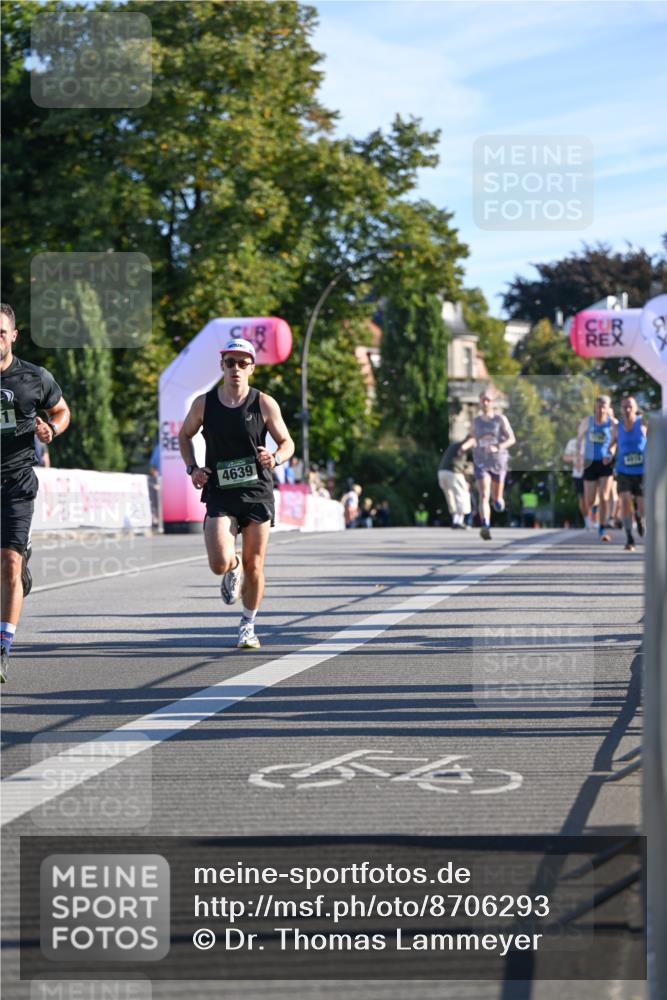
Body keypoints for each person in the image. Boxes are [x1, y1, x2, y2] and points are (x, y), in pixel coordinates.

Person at [178, 337, 294, 649]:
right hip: (221, 492)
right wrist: (193, 468)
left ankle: (248, 625)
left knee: (256, 565)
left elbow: (287, 443)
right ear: (222, 366)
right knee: (218, 562)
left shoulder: (264, 403)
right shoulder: (205, 403)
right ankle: (233, 565)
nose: (236, 369)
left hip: (257, 492)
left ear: (252, 368)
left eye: (243, 363)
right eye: (230, 362)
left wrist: (276, 458)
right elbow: (184, 436)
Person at [1, 303, 70, 682]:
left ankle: (2, 647)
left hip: (16, 482)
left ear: (13, 335)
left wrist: (52, 430)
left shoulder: (34, 377)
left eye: (0, 332)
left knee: (9, 563)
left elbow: (62, 410)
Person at [459, 389, 516, 540]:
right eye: (483, 399)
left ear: (492, 402)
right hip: (481, 460)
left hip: (498, 461)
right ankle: (485, 525)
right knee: (483, 494)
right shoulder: (475, 421)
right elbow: (472, 438)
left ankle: (498, 501)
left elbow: (512, 439)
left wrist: (498, 447)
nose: (485, 402)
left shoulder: (500, 419)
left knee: (496, 499)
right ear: (479, 401)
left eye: (488, 400)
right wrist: (464, 447)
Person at [576, 394, 617, 543]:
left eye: (603, 406)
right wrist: (578, 458)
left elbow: (616, 442)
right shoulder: (588, 422)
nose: (600, 409)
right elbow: (579, 440)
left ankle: (602, 528)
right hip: (589, 462)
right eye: (598, 406)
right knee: (590, 499)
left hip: (605, 462)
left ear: (608, 408)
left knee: (605, 496)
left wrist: (611, 453)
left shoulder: (613, 423)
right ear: (595, 407)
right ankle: (595, 507)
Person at [609, 395, 647, 551]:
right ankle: (629, 537)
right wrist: (608, 454)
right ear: (621, 409)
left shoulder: (643, 423)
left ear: (636, 408)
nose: (627, 409)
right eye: (624, 406)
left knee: (642, 506)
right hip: (624, 470)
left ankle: (640, 518)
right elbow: (611, 445)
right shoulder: (617, 427)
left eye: (630, 406)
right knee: (624, 502)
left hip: (642, 471)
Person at [437, 439, 472, 529]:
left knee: (451, 497)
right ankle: (459, 521)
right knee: (462, 495)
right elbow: (466, 446)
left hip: (442, 472)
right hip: (453, 472)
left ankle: (455, 520)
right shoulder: (470, 441)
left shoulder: (454, 445)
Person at [562, 435, 589, 528]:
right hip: (577, 473)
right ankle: (587, 520)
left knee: (591, 497)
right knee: (581, 498)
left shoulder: (590, 441)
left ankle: (595, 519)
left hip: (589, 471)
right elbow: (565, 457)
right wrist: (576, 457)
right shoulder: (572, 442)